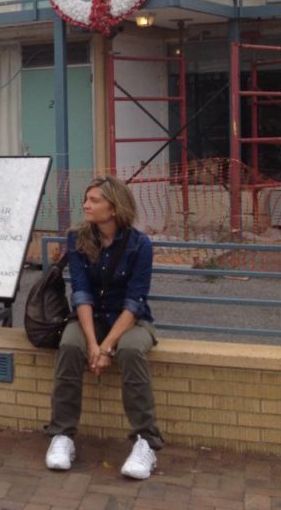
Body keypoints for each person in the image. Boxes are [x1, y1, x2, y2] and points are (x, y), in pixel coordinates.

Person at [44, 175, 162, 480]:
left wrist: (107, 345)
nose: (86, 204)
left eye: (94, 200)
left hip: (130, 320)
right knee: (70, 346)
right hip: (89, 318)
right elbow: (80, 293)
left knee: (131, 351)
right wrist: (93, 345)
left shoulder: (140, 245)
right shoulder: (78, 239)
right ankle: (63, 436)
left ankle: (145, 442)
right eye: (86, 198)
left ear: (114, 207)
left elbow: (135, 301)